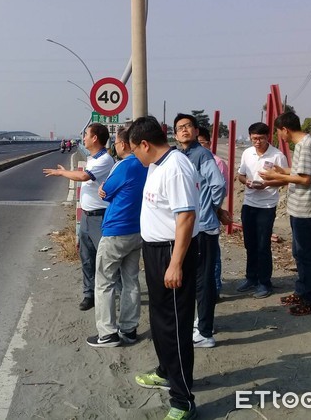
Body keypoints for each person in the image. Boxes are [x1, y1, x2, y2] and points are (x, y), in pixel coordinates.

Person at [129, 116, 200, 420]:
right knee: (159, 318)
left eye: (135, 150)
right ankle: (164, 370)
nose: (135, 156)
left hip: (172, 253)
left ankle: (183, 400)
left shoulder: (175, 167)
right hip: (155, 250)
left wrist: (175, 264)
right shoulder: (157, 165)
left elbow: (185, 218)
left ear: (145, 144)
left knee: (175, 325)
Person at [260, 111, 311, 316]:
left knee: (305, 254)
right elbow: (299, 171)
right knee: (299, 252)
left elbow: (305, 179)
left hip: (306, 209)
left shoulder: (305, 146)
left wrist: (274, 176)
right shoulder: (303, 144)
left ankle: (310, 299)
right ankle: (301, 290)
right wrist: (282, 171)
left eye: (279, 132)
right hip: (300, 207)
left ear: (285, 130)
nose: (280, 137)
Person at [86, 127, 147, 347]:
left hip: (115, 231)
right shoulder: (146, 165)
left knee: (104, 282)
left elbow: (106, 191)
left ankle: (107, 334)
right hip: (137, 230)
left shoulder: (124, 165)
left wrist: (104, 187)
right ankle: (129, 330)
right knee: (131, 281)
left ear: (122, 144)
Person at [44, 123, 114, 311]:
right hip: (87, 217)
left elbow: (84, 177)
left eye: (86, 135)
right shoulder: (92, 158)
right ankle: (88, 294)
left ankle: (113, 295)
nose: (83, 139)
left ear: (95, 138)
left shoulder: (105, 160)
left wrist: (61, 172)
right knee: (86, 257)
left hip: (100, 218)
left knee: (106, 260)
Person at [174, 114, 225, 349]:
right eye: (179, 128)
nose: (184, 130)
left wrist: (211, 209)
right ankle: (202, 323)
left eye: (188, 127)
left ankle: (205, 332)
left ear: (196, 131)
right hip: (193, 226)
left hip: (204, 227)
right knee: (195, 279)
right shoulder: (182, 155)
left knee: (204, 280)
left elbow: (218, 184)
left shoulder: (201, 154)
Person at [235, 122, 288, 299]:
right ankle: (251, 277)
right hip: (249, 204)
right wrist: (247, 182)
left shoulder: (277, 156)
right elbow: (240, 175)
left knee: (263, 245)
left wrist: (267, 184)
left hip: (266, 205)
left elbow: (284, 180)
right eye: (254, 138)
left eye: (261, 138)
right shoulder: (247, 153)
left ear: (268, 137)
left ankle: (265, 282)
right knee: (249, 243)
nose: (257, 142)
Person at [197, 126, 229, 298]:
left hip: (210, 215)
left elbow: (220, 188)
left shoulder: (216, 162)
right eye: (198, 143)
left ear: (209, 143)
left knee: (212, 257)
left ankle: (214, 289)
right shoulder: (190, 158)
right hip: (198, 217)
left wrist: (214, 207)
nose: (200, 146)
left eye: (203, 143)